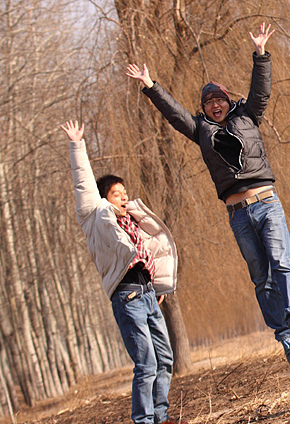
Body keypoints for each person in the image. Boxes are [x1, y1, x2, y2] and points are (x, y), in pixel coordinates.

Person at [125, 22, 290, 366]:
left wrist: (261, 54)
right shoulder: (200, 130)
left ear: (228, 101)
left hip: (266, 203)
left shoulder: (248, 115)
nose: (215, 105)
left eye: (219, 99)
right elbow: (175, 114)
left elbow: (261, 90)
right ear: (204, 109)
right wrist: (150, 85)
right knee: (260, 277)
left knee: (281, 262)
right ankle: (284, 335)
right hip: (238, 213)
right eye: (208, 103)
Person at [62, 120, 185, 424]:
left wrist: (158, 287)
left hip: (148, 294)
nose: (124, 196)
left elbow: (154, 253)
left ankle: (161, 416)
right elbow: (83, 184)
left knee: (165, 359)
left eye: (125, 191)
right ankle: (143, 420)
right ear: (104, 198)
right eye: (117, 193)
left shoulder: (132, 222)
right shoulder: (96, 217)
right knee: (146, 364)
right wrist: (77, 145)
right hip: (127, 297)